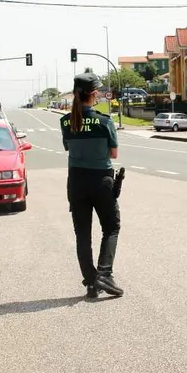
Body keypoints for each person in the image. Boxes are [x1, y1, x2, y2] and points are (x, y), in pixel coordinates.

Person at [59, 72, 124, 299]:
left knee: (82, 235)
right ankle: (104, 273)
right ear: (94, 94)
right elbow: (114, 153)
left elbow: (70, 147)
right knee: (111, 227)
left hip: (76, 182)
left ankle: (91, 282)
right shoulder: (105, 121)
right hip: (101, 181)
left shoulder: (65, 121)